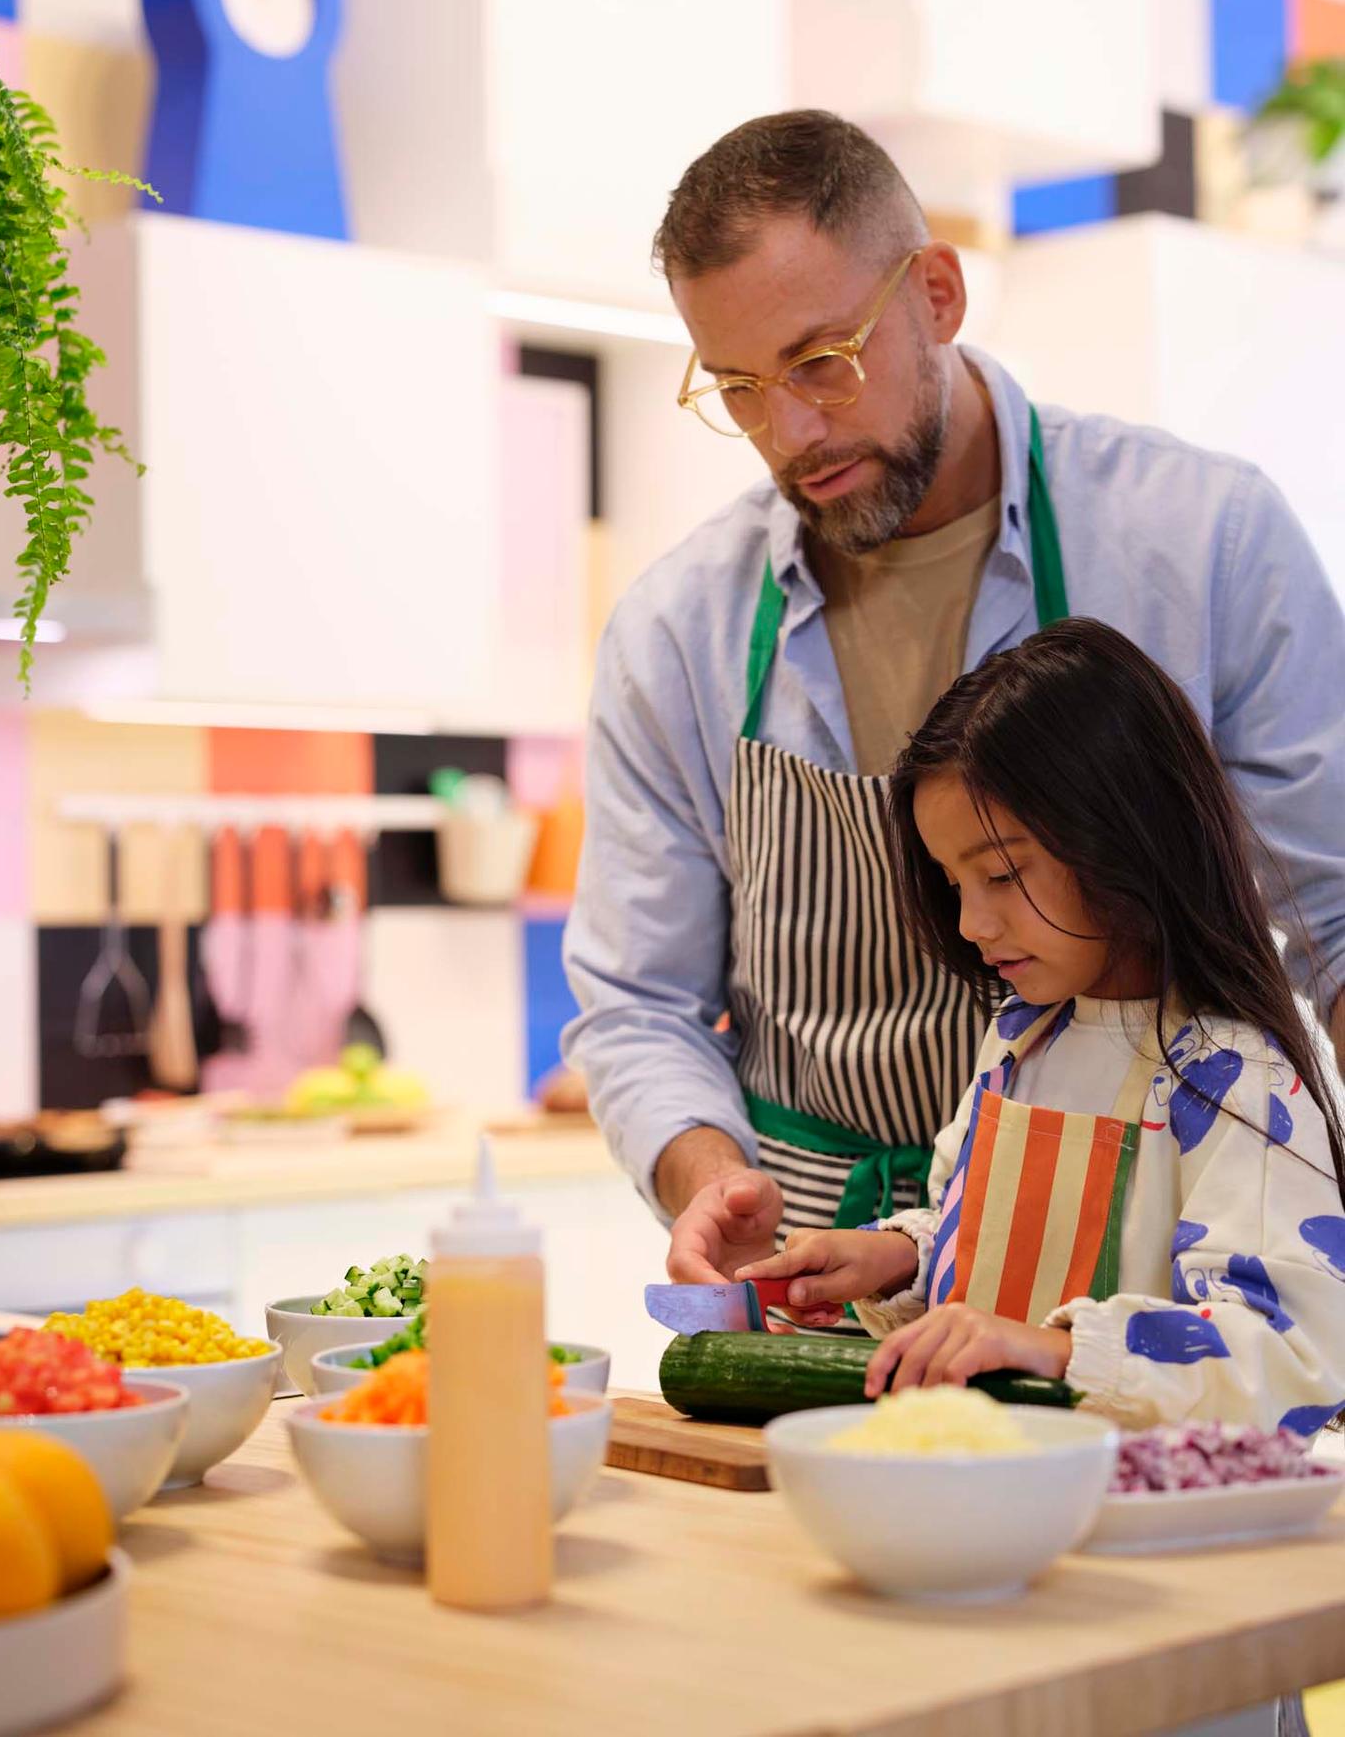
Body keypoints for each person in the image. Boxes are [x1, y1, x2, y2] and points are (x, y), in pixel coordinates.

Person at [562, 109, 1345, 1304]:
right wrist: (704, 1176)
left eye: (822, 361)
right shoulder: (676, 636)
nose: (790, 432)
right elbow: (635, 1007)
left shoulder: (1206, 542)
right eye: (736, 387)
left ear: (936, 292)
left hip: (1143, 1277)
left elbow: (1333, 923)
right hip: (812, 1285)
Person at [736, 619, 1345, 1431]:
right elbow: (979, 1233)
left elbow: (1294, 1354)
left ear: (1123, 838)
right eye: (954, 885)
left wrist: (1054, 1351)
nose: (971, 924)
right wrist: (899, 1258)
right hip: (996, 1492)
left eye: (1000, 873)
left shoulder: (1235, 1079)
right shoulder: (1021, 1038)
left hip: (1145, 1533)